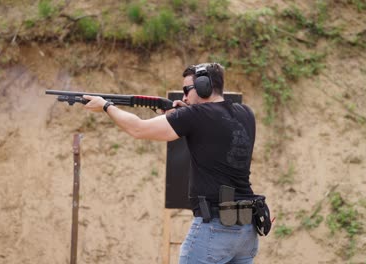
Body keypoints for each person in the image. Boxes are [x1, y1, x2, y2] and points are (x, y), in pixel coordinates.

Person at [83, 62, 259, 263]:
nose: (184, 97)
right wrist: (180, 116)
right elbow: (214, 127)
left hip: (214, 229)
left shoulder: (195, 116)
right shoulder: (246, 113)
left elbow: (138, 129)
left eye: (187, 90)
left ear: (204, 86)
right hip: (246, 231)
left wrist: (106, 106)